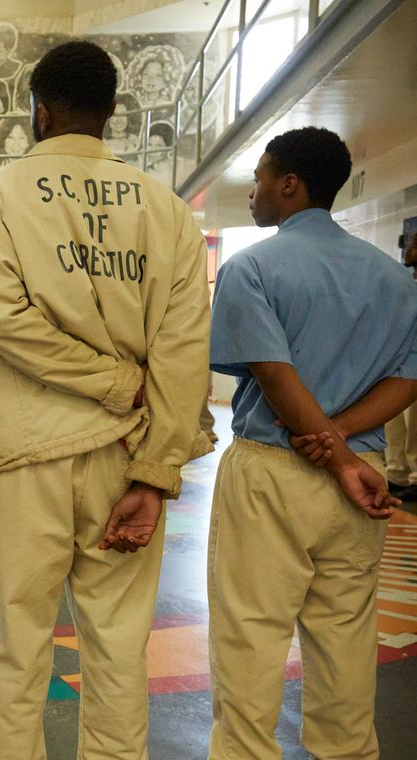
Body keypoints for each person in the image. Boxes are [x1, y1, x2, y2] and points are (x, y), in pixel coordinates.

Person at [0, 41, 212, 759]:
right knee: (118, 647)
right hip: (127, 453)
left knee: (15, 646)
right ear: (112, 112)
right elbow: (182, 350)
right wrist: (156, 471)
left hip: (24, 449)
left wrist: (106, 382)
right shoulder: (165, 211)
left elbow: (6, 321)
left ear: (39, 111)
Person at [207, 126, 417, 759]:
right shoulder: (394, 279)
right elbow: (407, 378)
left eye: (261, 177)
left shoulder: (252, 268)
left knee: (251, 636)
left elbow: (274, 375)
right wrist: (347, 445)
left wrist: (328, 446)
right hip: (364, 475)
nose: (253, 191)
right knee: (347, 636)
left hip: (275, 468)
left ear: (289, 185)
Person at [385, 234, 417, 500]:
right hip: (399, 360)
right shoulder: (407, 281)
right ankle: (395, 471)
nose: (409, 251)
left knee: (415, 425)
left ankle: (415, 476)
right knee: (395, 420)